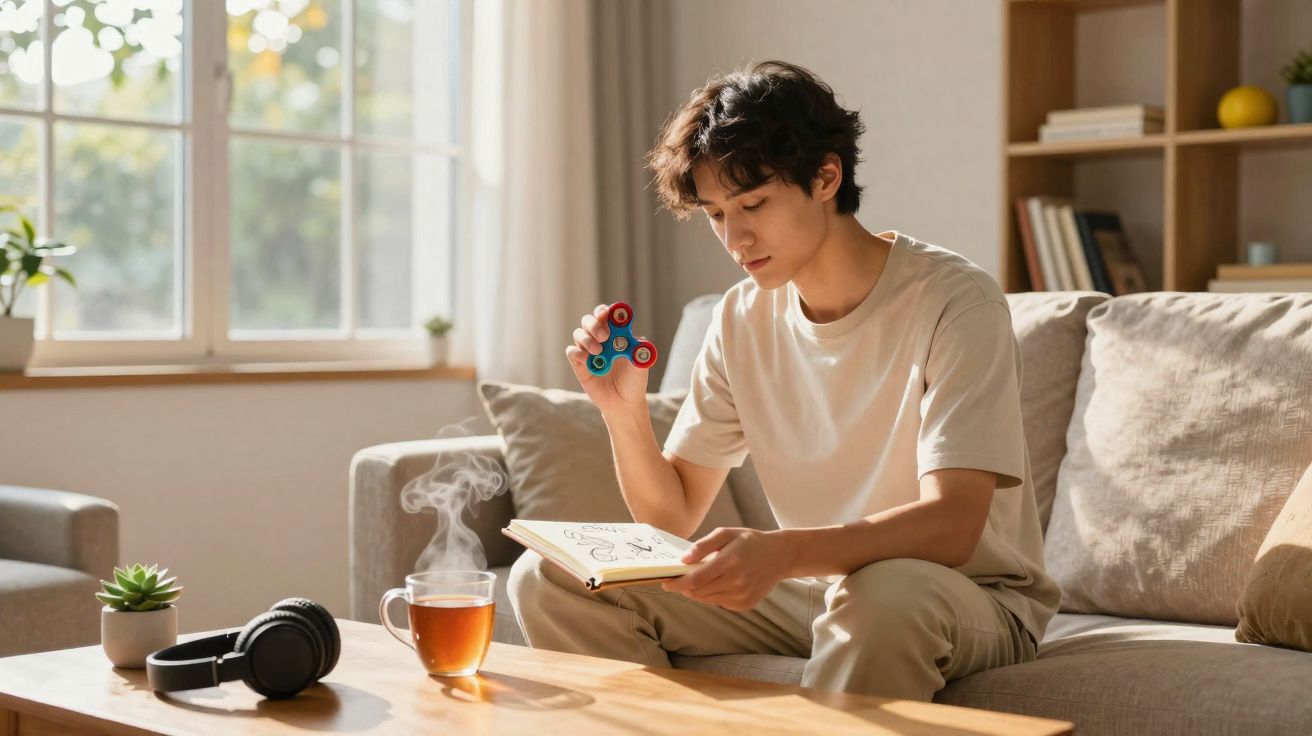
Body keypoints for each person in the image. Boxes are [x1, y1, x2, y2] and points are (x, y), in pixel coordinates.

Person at [507, 59, 1058, 701]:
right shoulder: (739, 318)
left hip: (964, 594)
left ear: (826, 176)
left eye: (754, 203)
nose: (735, 237)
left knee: (882, 594)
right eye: (715, 214)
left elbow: (953, 526)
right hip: (819, 590)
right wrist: (623, 411)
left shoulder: (956, 302)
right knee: (548, 577)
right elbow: (673, 512)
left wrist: (782, 553)